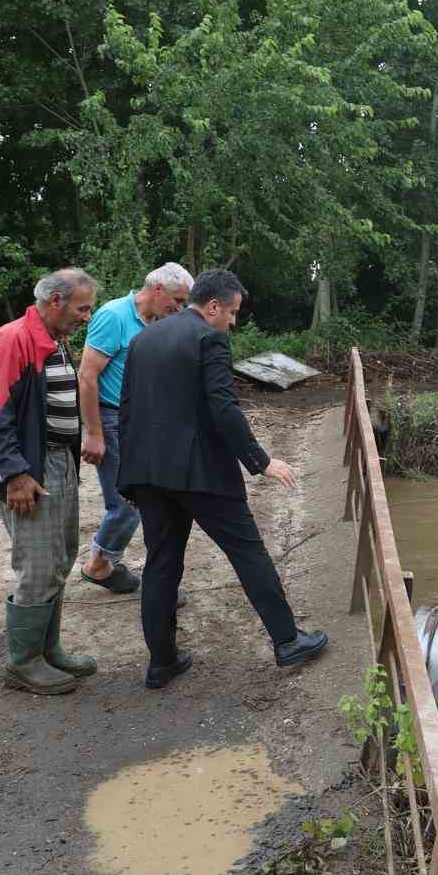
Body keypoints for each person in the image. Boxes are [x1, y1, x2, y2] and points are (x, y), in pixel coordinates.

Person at [117, 268, 328, 689]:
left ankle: (161, 662)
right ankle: (287, 641)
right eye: (232, 312)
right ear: (213, 306)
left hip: (149, 473)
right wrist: (261, 461)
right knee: (248, 553)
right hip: (200, 473)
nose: (233, 321)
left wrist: (131, 475)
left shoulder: (144, 339)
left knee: (161, 566)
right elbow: (223, 408)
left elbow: (127, 409)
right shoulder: (209, 338)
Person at [0, 268, 100, 695]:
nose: (87, 317)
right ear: (56, 302)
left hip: (58, 463)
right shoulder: (14, 340)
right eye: (82, 308)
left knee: (60, 557)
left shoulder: (54, 340)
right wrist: (14, 474)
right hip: (32, 469)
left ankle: (49, 651)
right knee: (38, 565)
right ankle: (23, 662)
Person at [77, 261, 194, 594]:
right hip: (113, 421)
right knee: (126, 502)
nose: (180, 308)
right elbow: (87, 376)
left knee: (142, 497)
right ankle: (99, 565)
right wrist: (95, 433)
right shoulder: (114, 317)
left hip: (140, 422)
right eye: (179, 299)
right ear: (158, 290)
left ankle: (105, 562)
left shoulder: (154, 322)